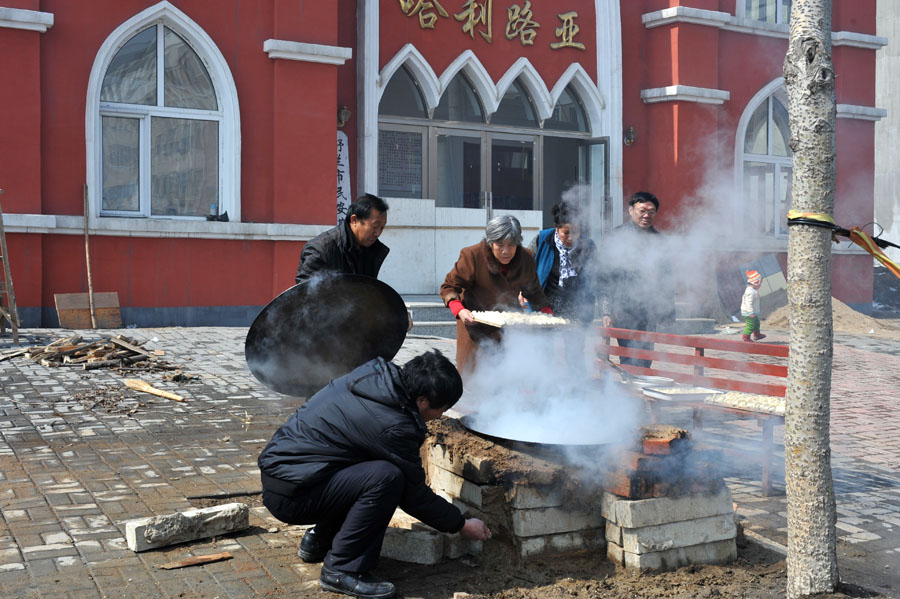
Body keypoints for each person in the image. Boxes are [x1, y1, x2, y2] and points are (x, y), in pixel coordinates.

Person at [258, 350, 490, 599]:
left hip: (287, 477)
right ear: (422, 401)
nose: (441, 416)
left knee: (368, 463)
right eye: (441, 408)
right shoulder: (393, 425)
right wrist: (461, 524)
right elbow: (414, 495)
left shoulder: (374, 377)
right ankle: (342, 569)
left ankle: (318, 540)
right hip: (293, 496)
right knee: (387, 477)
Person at [441, 214, 552, 376]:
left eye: (512, 245)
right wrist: (459, 309)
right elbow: (449, 287)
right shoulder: (472, 256)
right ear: (490, 242)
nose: (506, 251)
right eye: (500, 245)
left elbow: (533, 291)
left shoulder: (526, 258)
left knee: (507, 375)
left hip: (509, 327)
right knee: (472, 377)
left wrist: (547, 312)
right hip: (474, 325)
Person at [599, 191, 675, 368]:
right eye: (642, 210)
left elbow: (666, 277)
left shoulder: (660, 241)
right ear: (631, 210)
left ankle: (640, 393)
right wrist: (606, 311)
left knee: (646, 357)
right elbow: (604, 277)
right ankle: (628, 394)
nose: (647, 215)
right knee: (628, 357)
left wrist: (668, 311)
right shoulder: (615, 237)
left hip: (648, 311)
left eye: (651, 211)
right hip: (622, 308)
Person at [295, 193, 389, 284]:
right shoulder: (320, 250)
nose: (378, 233)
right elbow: (305, 292)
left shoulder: (373, 250)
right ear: (354, 220)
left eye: (382, 227)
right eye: (375, 226)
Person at [528, 201, 597, 323]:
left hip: (576, 307)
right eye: (566, 233)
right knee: (543, 341)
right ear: (556, 228)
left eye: (575, 232)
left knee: (574, 342)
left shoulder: (588, 246)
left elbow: (595, 276)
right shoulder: (542, 240)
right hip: (546, 305)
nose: (570, 238)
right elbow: (526, 265)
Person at [741, 269, 766, 342]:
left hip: (752, 312)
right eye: (760, 283)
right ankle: (746, 337)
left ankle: (757, 334)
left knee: (756, 322)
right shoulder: (750, 292)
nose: (760, 285)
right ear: (755, 282)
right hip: (749, 313)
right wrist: (750, 312)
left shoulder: (753, 290)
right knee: (751, 325)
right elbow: (748, 303)